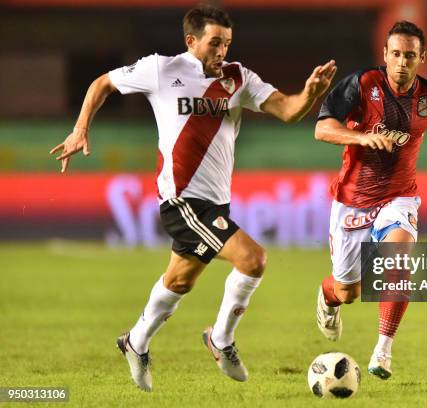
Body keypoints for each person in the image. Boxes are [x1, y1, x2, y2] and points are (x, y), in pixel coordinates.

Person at [50, 5, 336, 392]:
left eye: (227, 44)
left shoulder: (238, 77)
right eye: (214, 43)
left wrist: (310, 93)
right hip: (182, 200)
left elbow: (287, 110)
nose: (222, 51)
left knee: (179, 281)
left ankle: (135, 341)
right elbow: (101, 83)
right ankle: (220, 339)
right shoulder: (161, 70)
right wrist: (80, 127)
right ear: (191, 41)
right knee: (253, 260)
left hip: (216, 203)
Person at [314, 21, 427, 380]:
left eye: (409, 56)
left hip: (399, 197)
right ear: (384, 55)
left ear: (422, 58)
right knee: (347, 290)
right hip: (353, 201)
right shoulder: (362, 84)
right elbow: (322, 127)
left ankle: (383, 352)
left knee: (397, 264)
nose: (402, 62)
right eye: (396, 54)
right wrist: (363, 138)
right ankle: (327, 297)